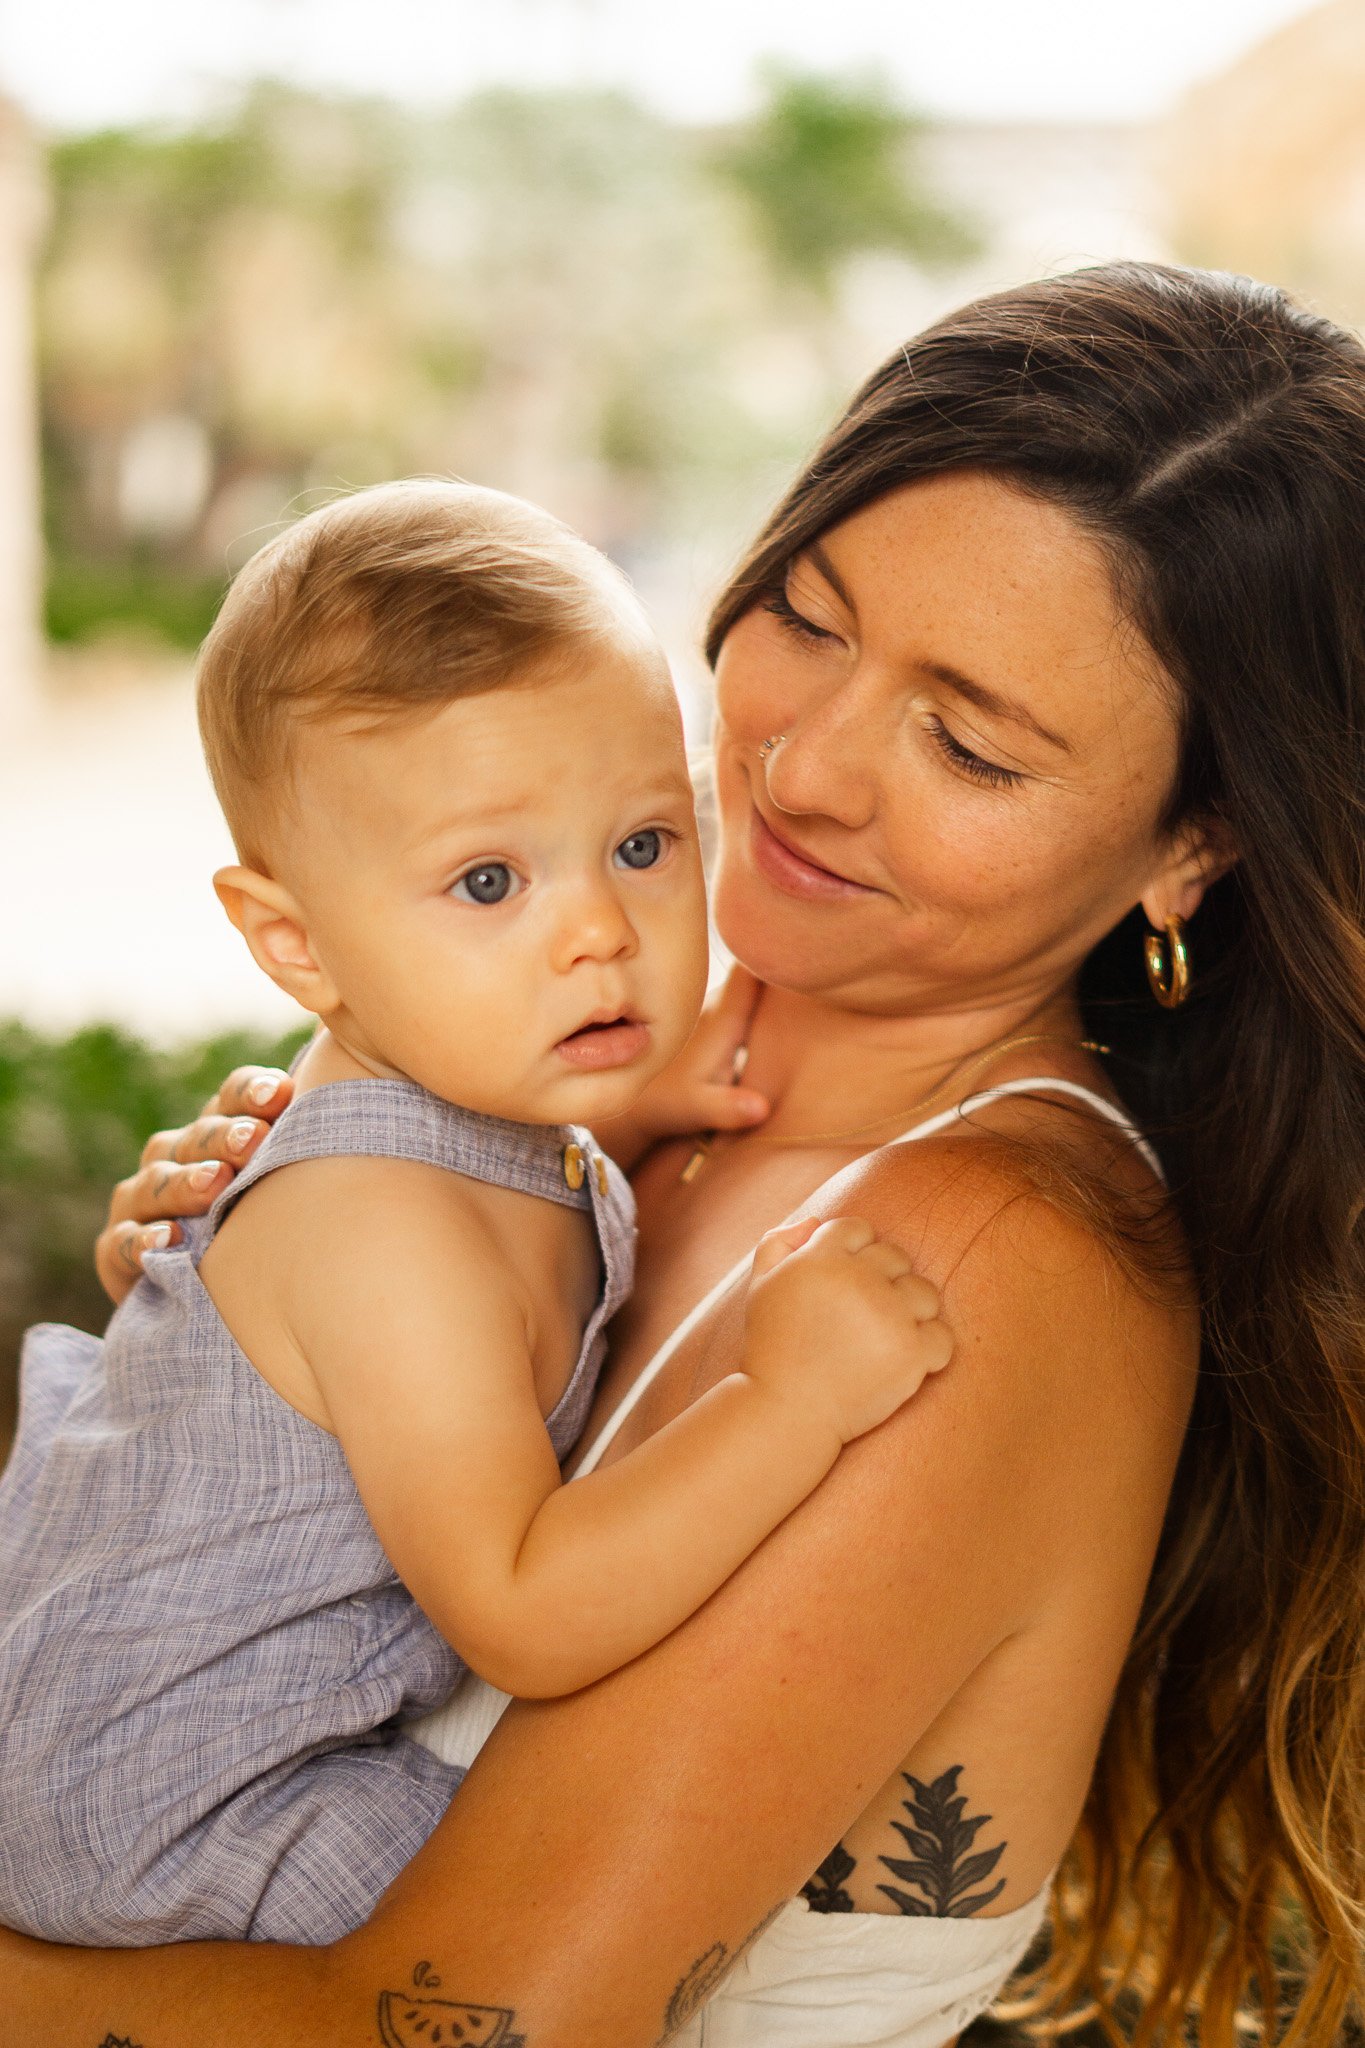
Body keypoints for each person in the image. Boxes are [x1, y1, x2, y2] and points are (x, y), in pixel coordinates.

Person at [5, 260, 1365, 2048]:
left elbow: (465, 2027)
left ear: (1188, 849)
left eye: (963, 743)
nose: (799, 768)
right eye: (806, 617)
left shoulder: (971, 1265)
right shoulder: (582, 1090)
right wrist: (237, 1353)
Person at [0, 482, 947, 1947]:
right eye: (489, 881)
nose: (597, 930)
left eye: (643, 843)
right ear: (295, 944)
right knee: (557, 1919)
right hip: (176, 1802)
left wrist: (636, 1107)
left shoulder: (471, 1110)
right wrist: (789, 1400)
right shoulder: (386, 1236)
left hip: (191, 1746)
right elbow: (518, 1602)